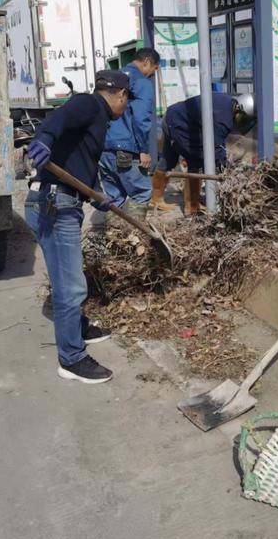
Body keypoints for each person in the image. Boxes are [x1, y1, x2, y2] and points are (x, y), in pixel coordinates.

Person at [25, 70, 130, 385]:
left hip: (62, 201)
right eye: (127, 100)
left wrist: (96, 195)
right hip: (54, 205)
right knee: (70, 286)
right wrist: (43, 139)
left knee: (67, 279)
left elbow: (79, 163)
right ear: (121, 94)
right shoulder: (88, 104)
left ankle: (77, 327)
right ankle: (71, 358)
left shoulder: (97, 118)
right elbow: (58, 120)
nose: (126, 106)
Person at [152, 92, 255, 215]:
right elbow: (217, 150)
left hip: (174, 117)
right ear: (238, 109)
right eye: (243, 118)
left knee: (168, 159)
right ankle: (191, 206)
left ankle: (156, 199)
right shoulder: (223, 119)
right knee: (196, 161)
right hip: (178, 123)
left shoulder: (228, 105)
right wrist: (227, 172)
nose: (243, 122)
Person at [99, 48, 160, 221]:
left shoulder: (112, 79)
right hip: (126, 147)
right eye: (154, 69)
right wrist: (144, 150)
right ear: (146, 62)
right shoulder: (141, 82)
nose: (152, 75)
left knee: (114, 196)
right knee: (142, 192)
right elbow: (141, 118)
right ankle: (134, 233)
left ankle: (112, 233)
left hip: (104, 148)